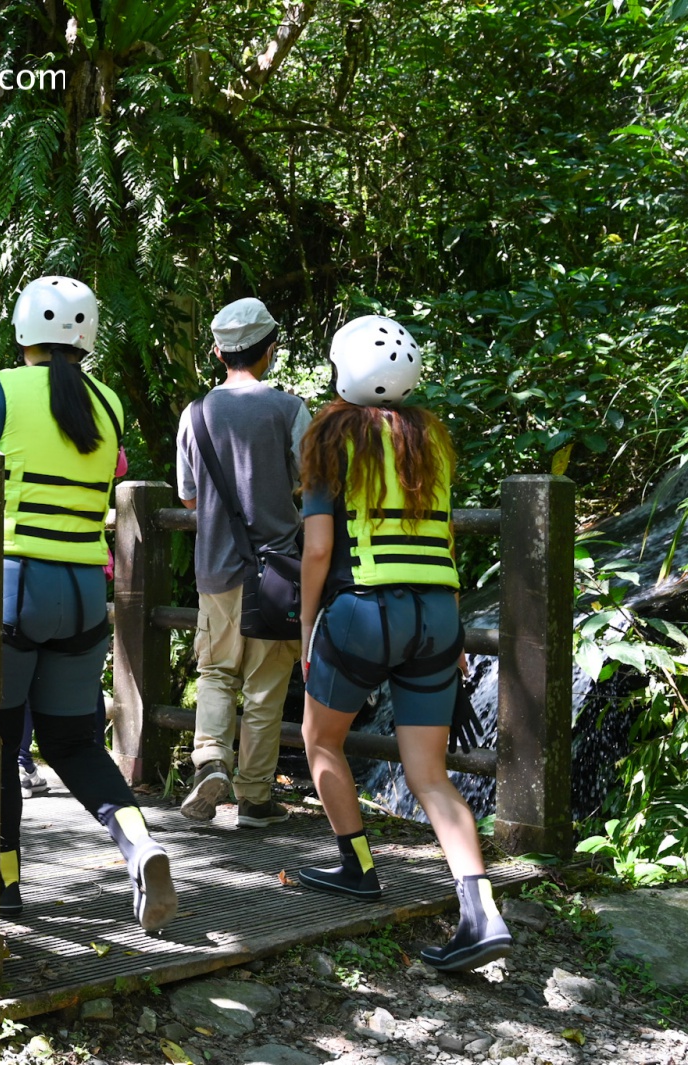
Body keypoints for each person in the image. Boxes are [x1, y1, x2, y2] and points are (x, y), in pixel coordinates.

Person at [0, 275, 176, 933]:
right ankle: (138, 842)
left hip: (15, 587)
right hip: (82, 593)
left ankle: (4, 886)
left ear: (23, 331)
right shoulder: (108, 406)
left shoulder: (0, 392)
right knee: (75, 742)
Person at [295, 314, 511, 972]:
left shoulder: (331, 435)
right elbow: (442, 538)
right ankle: (482, 912)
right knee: (430, 774)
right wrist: (448, 629)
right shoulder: (432, 439)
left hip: (364, 611)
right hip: (437, 615)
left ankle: (356, 866)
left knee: (321, 739)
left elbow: (319, 548)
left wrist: (307, 628)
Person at [175, 297, 310, 828]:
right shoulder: (289, 409)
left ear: (217, 351)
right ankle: (256, 799)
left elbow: (188, 496)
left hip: (216, 569)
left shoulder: (196, 414)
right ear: (270, 352)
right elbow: (310, 480)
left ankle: (210, 761)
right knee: (266, 687)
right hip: (279, 572)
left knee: (215, 672)